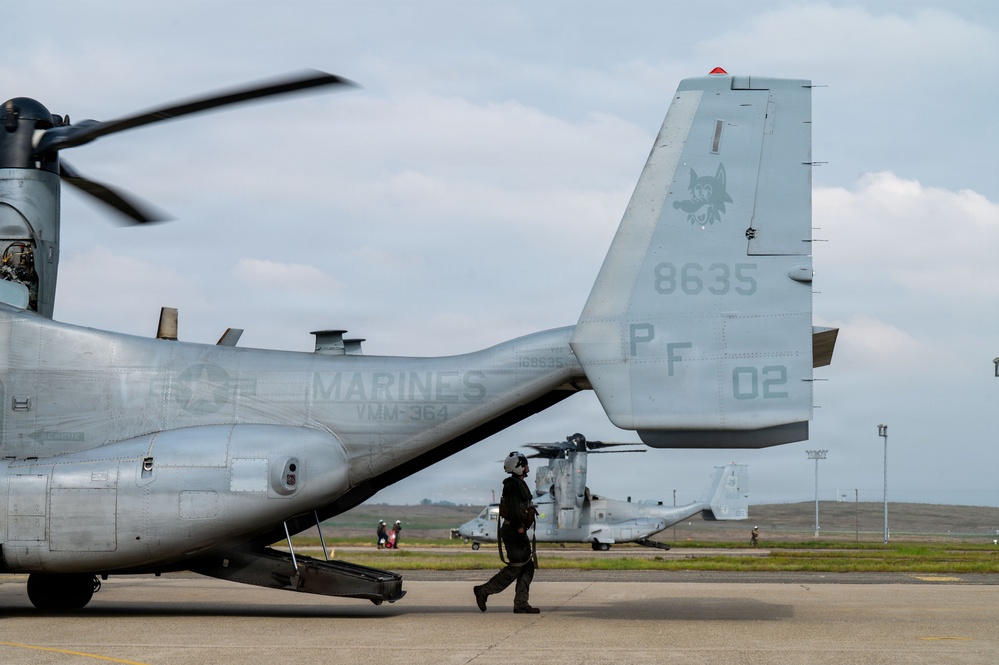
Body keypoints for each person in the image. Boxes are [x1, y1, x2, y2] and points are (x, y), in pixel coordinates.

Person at [473, 452, 539, 614]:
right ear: (518, 467)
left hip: (517, 530)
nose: (527, 467)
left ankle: (521, 603)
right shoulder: (512, 485)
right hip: (514, 531)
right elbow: (514, 508)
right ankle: (484, 591)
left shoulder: (518, 483)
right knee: (517, 567)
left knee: (527, 567)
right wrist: (519, 527)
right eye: (525, 464)